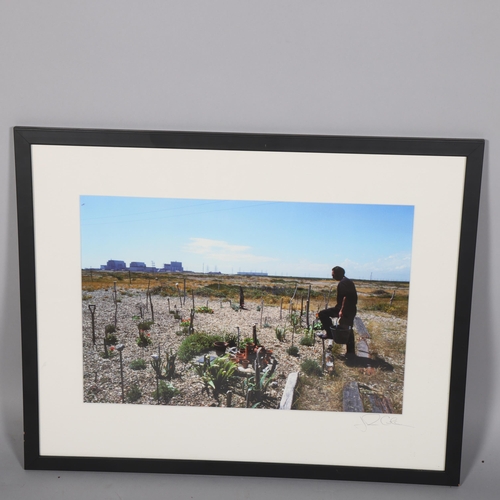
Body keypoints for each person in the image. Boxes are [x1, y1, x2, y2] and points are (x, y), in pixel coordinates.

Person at [317, 266, 357, 355]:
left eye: (333, 274)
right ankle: (350, 352)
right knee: (348, 329)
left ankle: (330, 334)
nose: (332, 276)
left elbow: (346, 297)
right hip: (350, 309)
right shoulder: (348, 281)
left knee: (322, 314)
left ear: (338, 273)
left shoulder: (343, 283)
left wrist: (341, 310)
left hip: (346, 309)